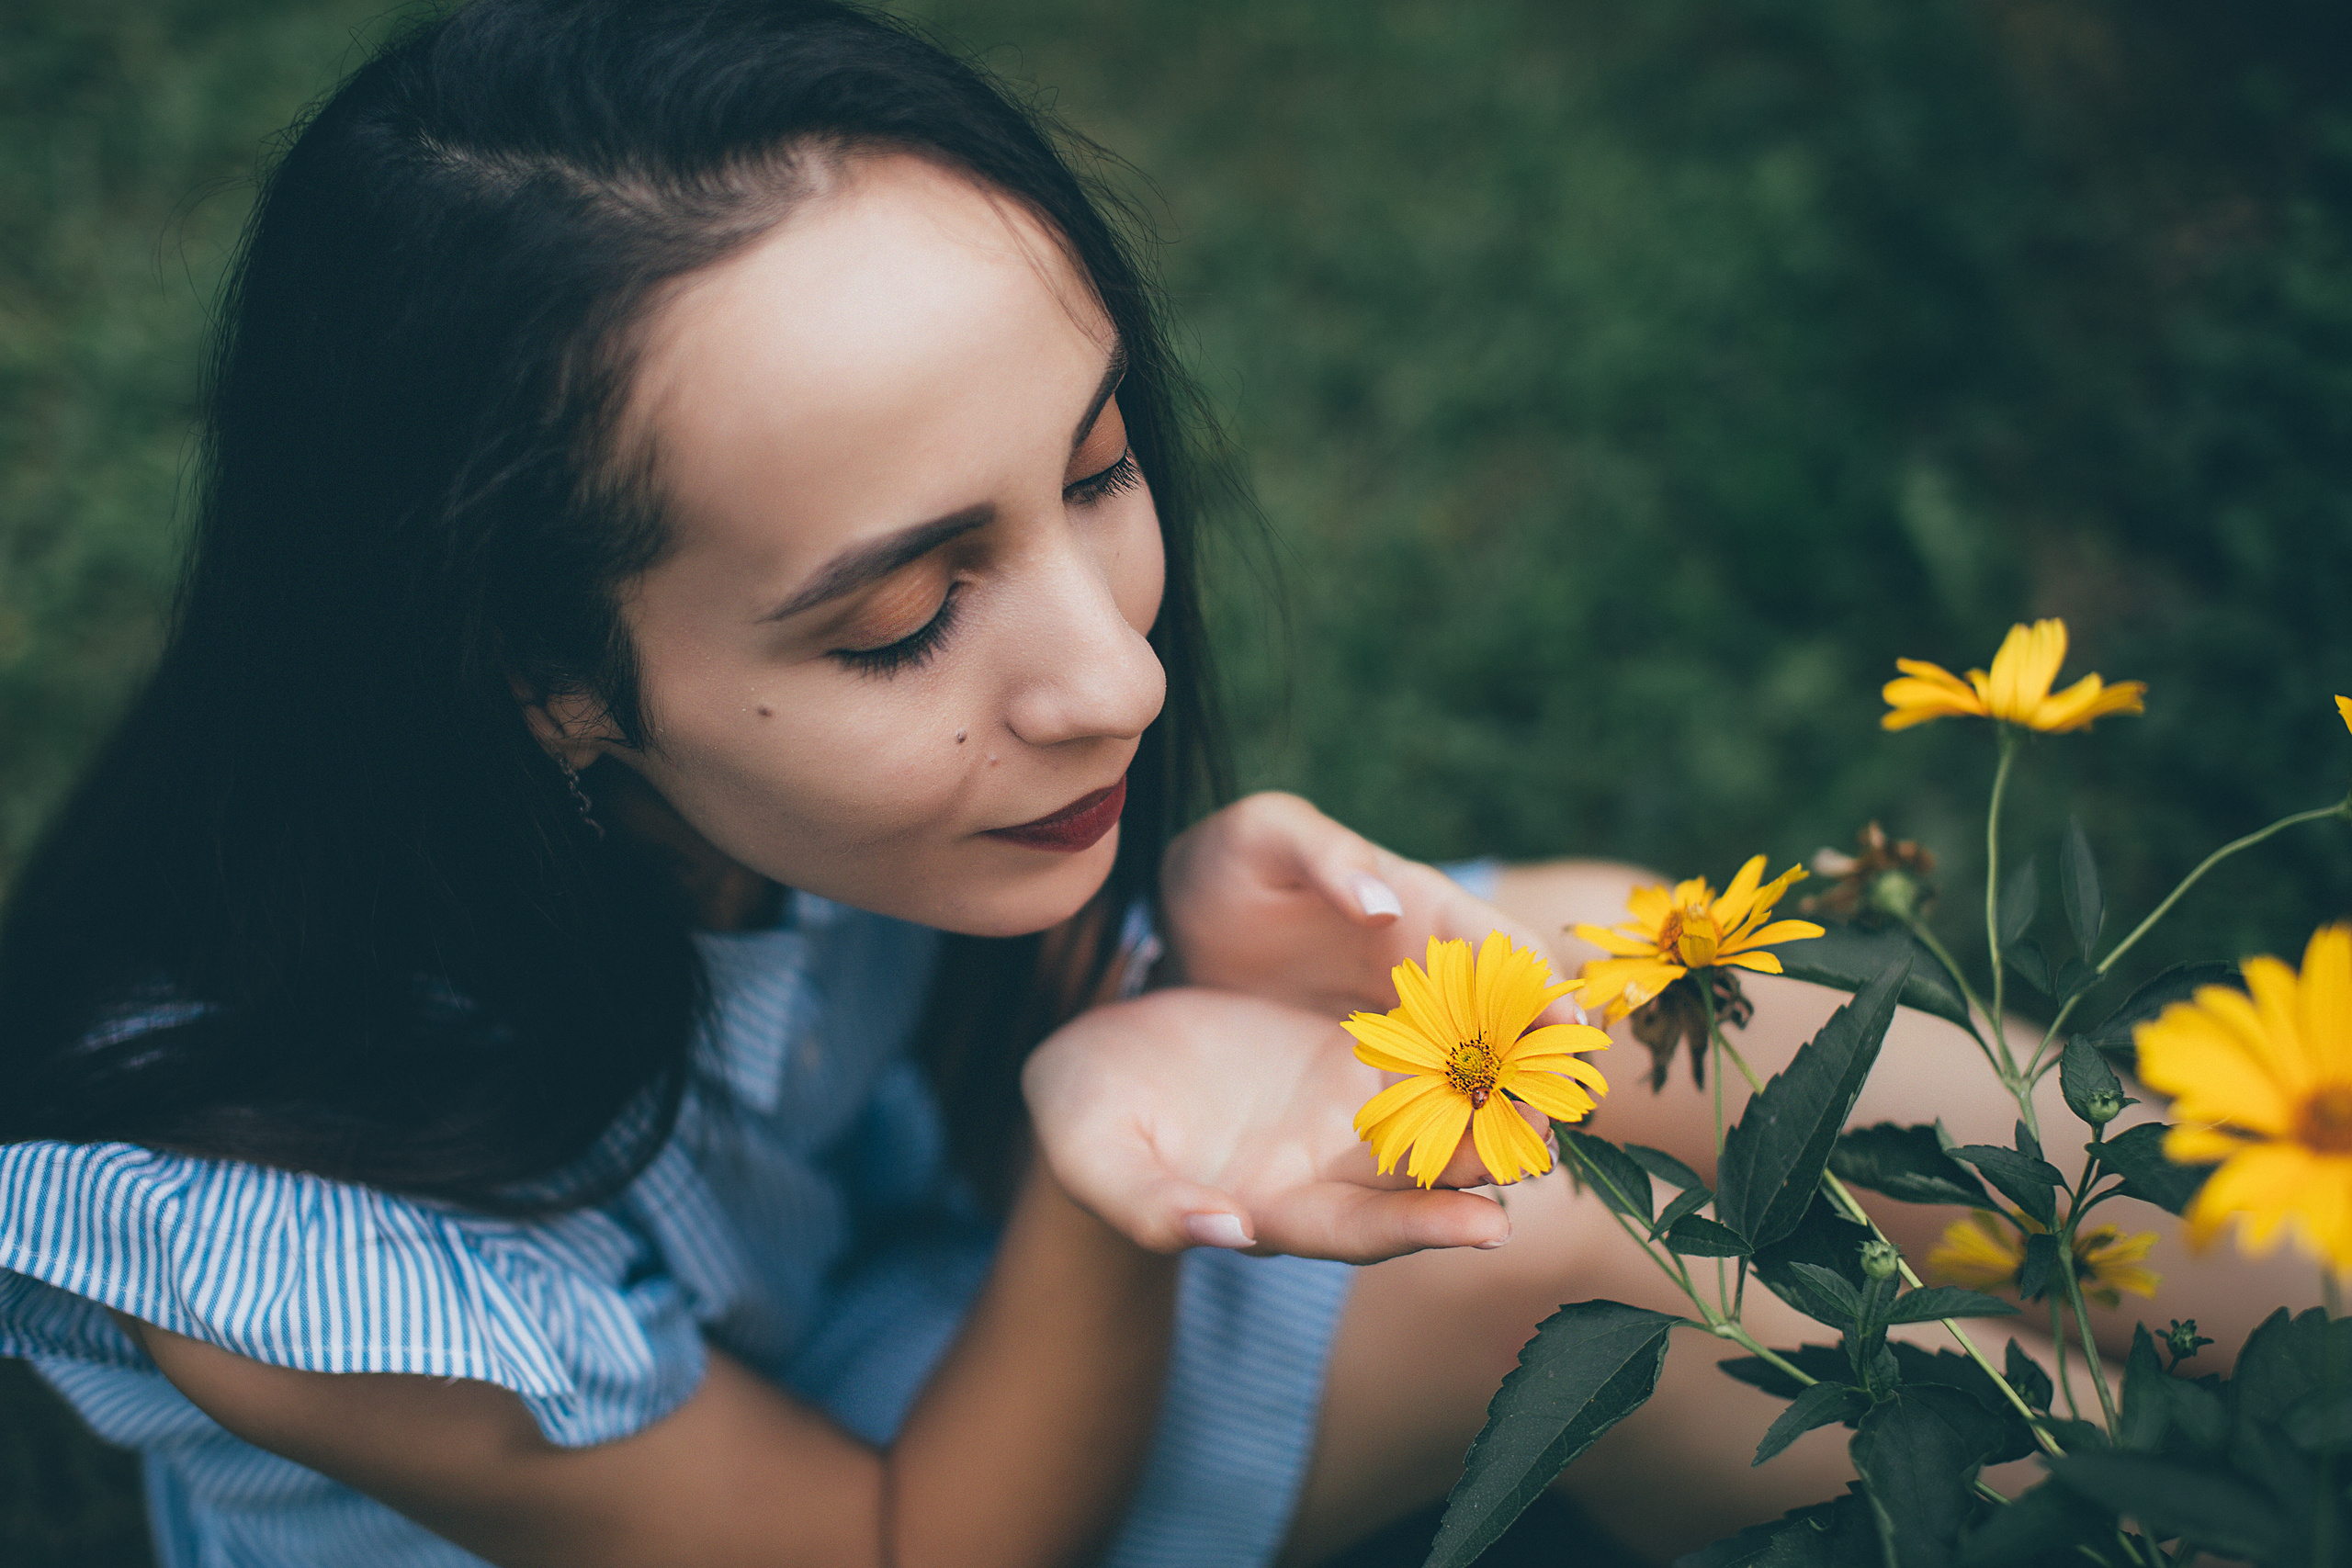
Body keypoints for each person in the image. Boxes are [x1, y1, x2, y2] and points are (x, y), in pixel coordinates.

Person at [0, 3, 2316, 1565]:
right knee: (1519, 1250)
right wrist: (1107, 1190)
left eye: (1098, 468)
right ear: (536, 681)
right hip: (843, 1496)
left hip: (909, 1253)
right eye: (901, 619)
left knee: (1573, 968)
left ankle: (2287, 1280)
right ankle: (2174, 1519)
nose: (1114, 676)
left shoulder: (742, 777)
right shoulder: (285, 1248)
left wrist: (1174, 957)